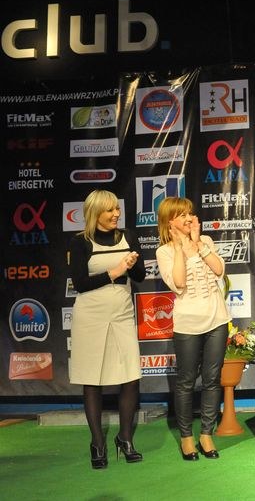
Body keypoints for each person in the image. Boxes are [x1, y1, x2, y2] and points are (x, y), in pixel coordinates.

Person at [68, 189, 145, 469]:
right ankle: (98, 443)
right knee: (93, 378)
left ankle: (125, 438)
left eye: (117, 209)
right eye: (110, 210)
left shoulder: (128, 236)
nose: (116, 214)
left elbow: (140, 276)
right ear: (95, 213)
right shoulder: (80, 242)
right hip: (91, 314)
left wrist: (131, 266)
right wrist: (115, 270)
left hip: (122, 313)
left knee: (131, 376)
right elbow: (80, 284)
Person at [156, 197, 229, 461]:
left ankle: (206, 434)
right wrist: (180, 248)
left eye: (190, 213)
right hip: (188, 324)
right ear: (170, 222)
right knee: (186, 381)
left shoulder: (205, 240)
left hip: (217, 320)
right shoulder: (164, 252)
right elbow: (178, 283)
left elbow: (219, 270)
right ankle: (186, 437)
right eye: (182, 215)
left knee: (212, 379)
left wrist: (198, 244)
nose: (189, 218)